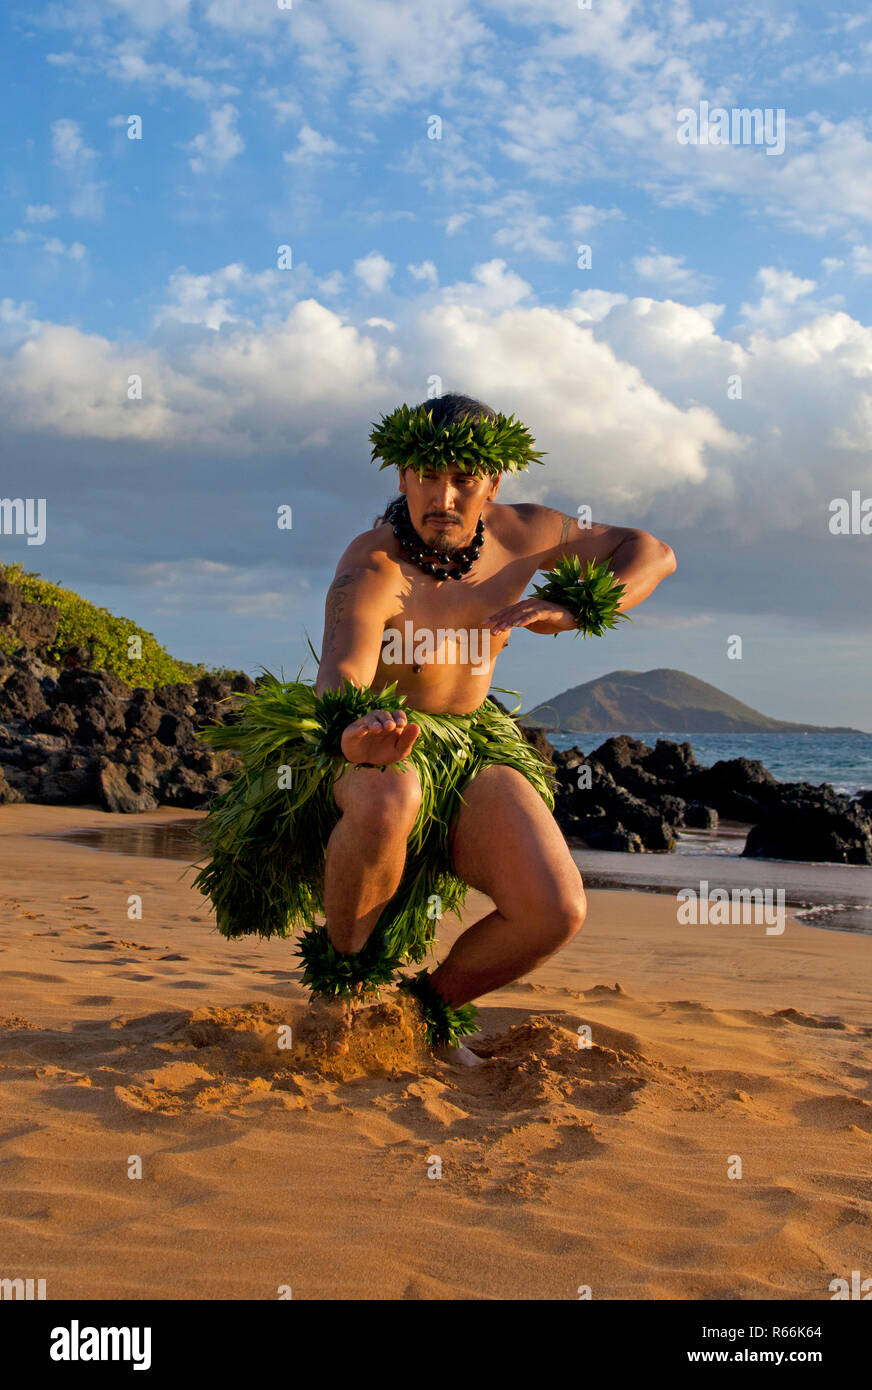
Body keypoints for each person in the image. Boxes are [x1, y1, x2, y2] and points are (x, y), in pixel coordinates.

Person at [194, 393, 676, 1055]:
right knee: (391, 792)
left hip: (470, 747)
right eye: (425, 475)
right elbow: (342, 669)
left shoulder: (526, 536)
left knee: (555, 909)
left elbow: (651, 552)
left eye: (462, 479)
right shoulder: (374, 565)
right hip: (374, 743)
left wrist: (566, 610)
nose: (442, 496)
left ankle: (416, 1015)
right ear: (400, 476)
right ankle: (342, 992)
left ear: (493, 483)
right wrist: (352, 733)